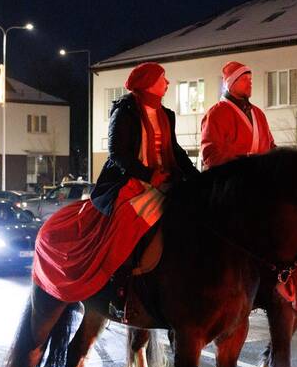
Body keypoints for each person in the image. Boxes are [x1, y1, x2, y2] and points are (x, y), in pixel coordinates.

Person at [31, 62, 200, 304]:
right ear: (149, 83)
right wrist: (149, 175)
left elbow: (175, 150)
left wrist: (198, 177)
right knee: (129, 217)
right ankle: (122, 279)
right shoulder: (125, 111)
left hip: (166, 178)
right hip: (131, 180)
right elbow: (117, 154)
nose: (168, 83)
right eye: (163, 78)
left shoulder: (166, 114)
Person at [199, 61, 275, 169]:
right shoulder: (216, 114)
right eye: (244, 79)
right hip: (231, 182)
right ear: (231, 83)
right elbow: (211, 155)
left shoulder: (258, 114)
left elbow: (271, 147)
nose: (250, 83)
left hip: (261, 182)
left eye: (250, 79)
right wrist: (245, 162)